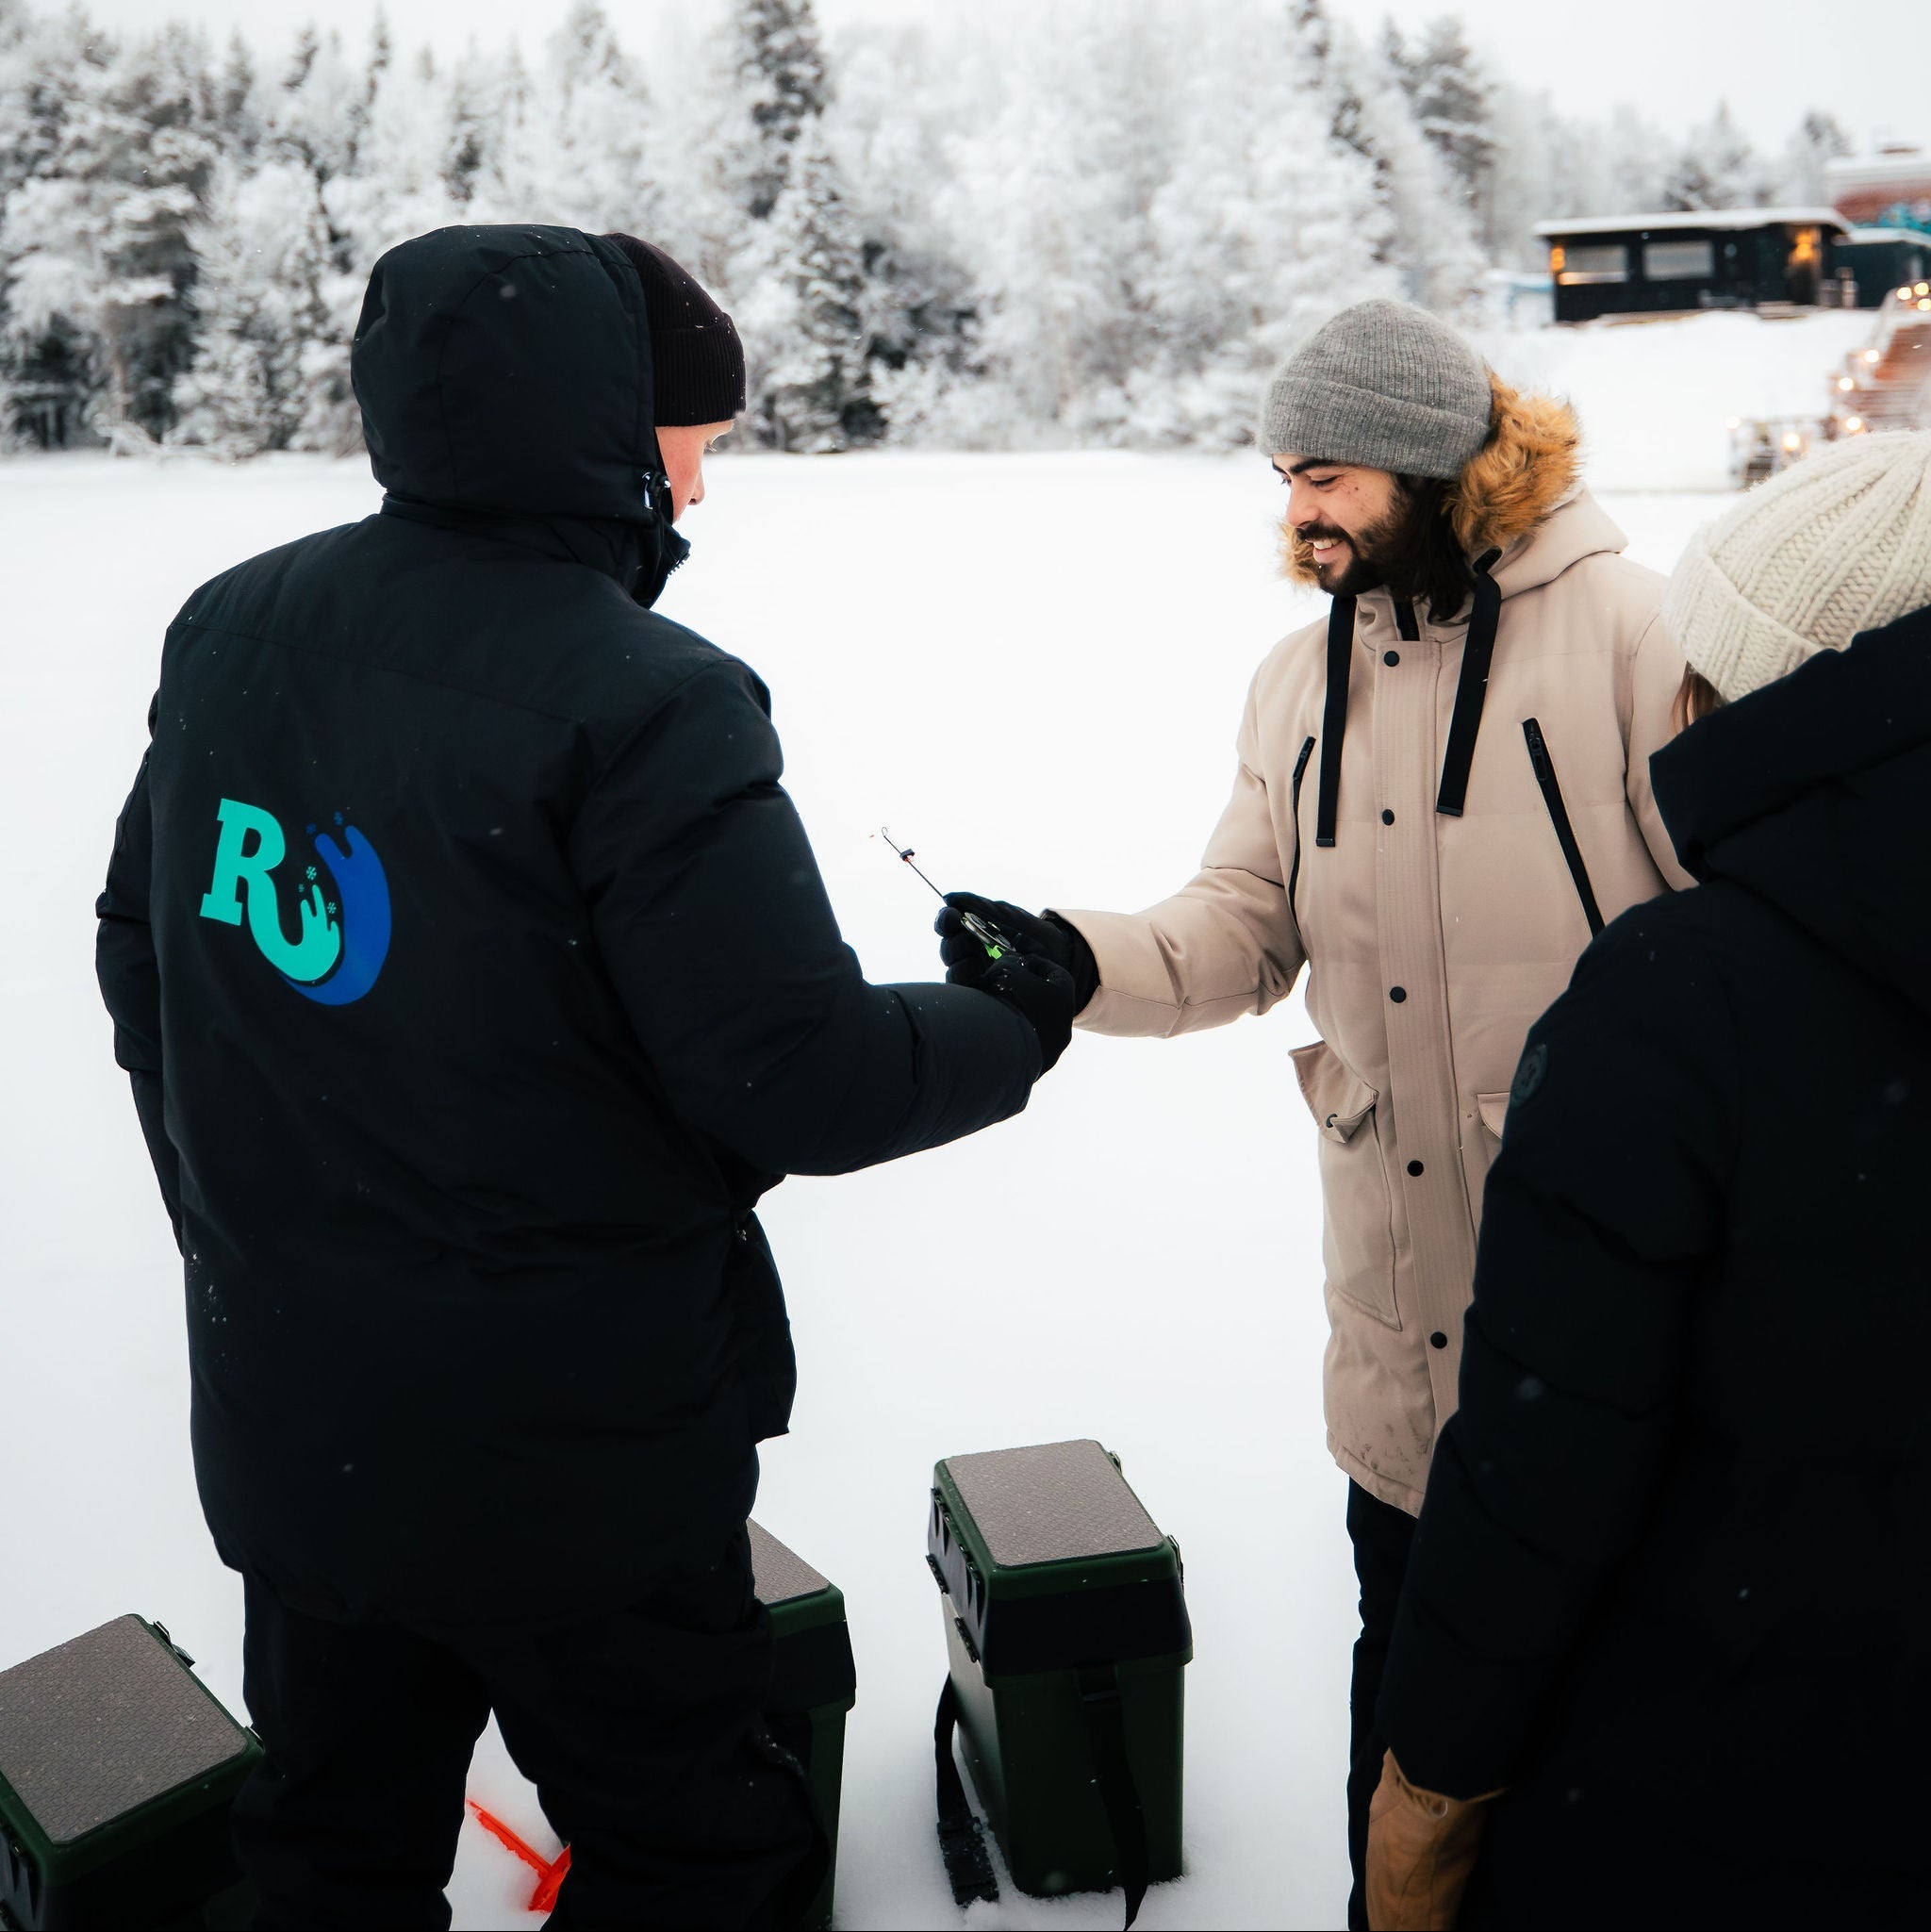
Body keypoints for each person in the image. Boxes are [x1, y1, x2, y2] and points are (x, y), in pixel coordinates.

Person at [93, 223, 1076, 1930]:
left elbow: (143, 963)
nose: (708, 483)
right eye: (696, 435)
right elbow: (801, 1079)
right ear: (612, 429)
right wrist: (1022, 1015)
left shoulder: (236, 628)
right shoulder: (647, 700)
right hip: (572, 1473)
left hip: (302, 1427)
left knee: (328, 1845)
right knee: (697, 1855)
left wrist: (247, 1224)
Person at [936, 299, 1693, 1927]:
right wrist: (1075, 959)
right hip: (1404, 1356)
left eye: (1328, 473)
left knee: (1623, 1782)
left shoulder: (1638, 635)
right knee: (1405, 1779)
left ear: (1431, 462)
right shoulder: (1301, 680)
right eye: (1285, 475)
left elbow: (1746, 938)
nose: (1296, 512)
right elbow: (1239, 925)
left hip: (1634, 1350)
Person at [1365, 431, 1931, 1930]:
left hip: (1716, 1797)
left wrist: (1430, 1788)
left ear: (1768, 690)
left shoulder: (1683, 1000)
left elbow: (1542, 1472)